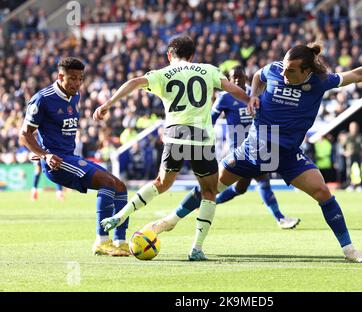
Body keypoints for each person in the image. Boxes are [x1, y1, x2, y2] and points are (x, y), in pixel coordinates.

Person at [141, 44, 362, 263]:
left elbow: (357, 74)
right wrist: (253, 95)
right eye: (284, 69)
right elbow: (258, 76)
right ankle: (169, 222)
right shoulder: (274, 69)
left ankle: (349, 250)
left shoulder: (321, 81)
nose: (285, 75)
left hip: (287, 154)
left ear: (307, 70)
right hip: (253, 148)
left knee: (323, 192)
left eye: (291, 71)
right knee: (210, 188)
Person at [96, 35, 251, 261]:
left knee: (162, 183)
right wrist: (251, 101)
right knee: (208, 192)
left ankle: (120, 216)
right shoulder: (207, 70)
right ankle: (196, 248)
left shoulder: (162, 74)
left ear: (170, 55)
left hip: (175, 135)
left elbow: (134, 82)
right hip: (201, 137)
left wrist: (108, 104)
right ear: (192, 55)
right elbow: (231, 89)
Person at [19, 57, 130, 257]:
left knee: (120, 186)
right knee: (107, 183)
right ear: (60, 76)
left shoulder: (75, 95)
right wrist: (44, 155)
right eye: (72, 79)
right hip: (57, 163)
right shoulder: (42, 99)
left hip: (70, 157)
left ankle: (120, 241)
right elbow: (24, 134)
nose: (77, 84)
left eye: (80, 79)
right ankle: (101, 241)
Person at [208, 65, 299, 229]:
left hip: (258, 142)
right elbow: (211, 119)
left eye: (239, 77)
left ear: (245, 77)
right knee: (262, 179)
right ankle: (280, 218)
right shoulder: (225, 97)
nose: (236, 80)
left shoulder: (255, 93)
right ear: (229, 80)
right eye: (233, 77)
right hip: (238, 148)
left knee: (241, 188)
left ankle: (206, 203)